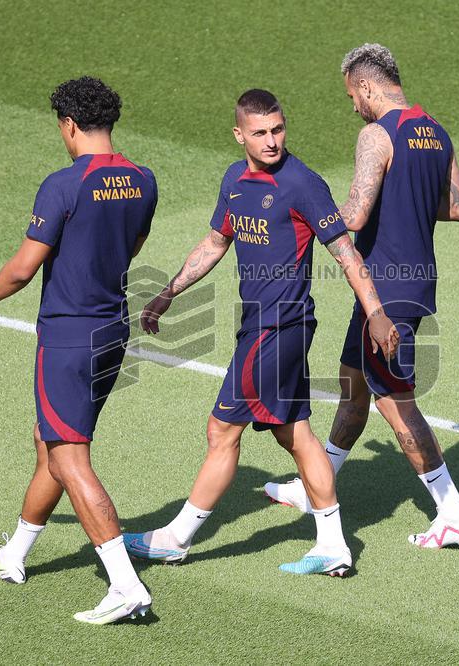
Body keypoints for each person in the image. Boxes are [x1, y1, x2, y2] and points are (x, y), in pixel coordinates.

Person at [122, 89, 399, 576]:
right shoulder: (234, 180)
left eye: (278, 129)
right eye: (260, 132)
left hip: (279, 327)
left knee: (222, 430)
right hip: (261, 326)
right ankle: (333, 545)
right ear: (239, 135)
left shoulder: (302, 183)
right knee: (295, 435)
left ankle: (175, 538)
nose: (272, 141)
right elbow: (214, 243)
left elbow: (346, 255)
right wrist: (169, 292)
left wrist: (375, 312)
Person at [0, 76, 157, 624]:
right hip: (112, 332)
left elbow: (23, 269)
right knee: (51, 442)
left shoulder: (62, 184)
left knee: (70, 455)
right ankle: (14, 556)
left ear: (69, 125)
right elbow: (131, 244)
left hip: (67, 335)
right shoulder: (144, 180)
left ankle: (124, 585)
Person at [265, 44, 459, 549]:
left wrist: (306, 216)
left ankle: (453, 512)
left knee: (394, 399)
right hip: (416, 279)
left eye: (351, 96)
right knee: (353, 383)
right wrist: (407, 199)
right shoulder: (436, 131)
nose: (353, 107)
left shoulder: (376, 133)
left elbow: (355, 215)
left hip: (385, 286)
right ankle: (316, 482)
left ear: (365, 86)